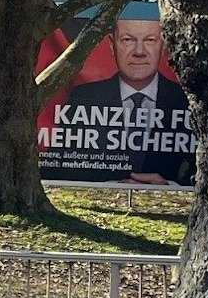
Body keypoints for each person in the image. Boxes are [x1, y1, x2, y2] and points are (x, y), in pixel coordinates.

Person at [63, 16, 193, 185]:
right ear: (112, 45)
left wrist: (171, 186)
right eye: (128, 40)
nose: (139, 51)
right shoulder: (83, 97)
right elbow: (62, 166)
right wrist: (109, 186)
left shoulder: (187, 99)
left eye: (150, 40)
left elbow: (207, 167)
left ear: (163, 46)